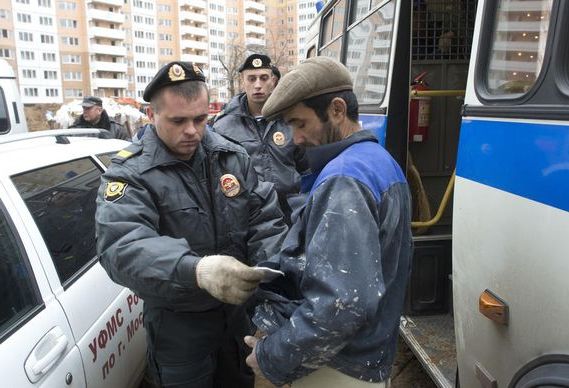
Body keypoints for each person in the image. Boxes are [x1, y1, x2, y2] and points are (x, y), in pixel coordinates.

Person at [95, 61, 288, 387]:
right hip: (179, 327)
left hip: (237, 317)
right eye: (178, 120)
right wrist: (195, 271)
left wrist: (271, 287)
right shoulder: (129, 173)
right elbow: (122, 246)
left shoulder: (230, 157)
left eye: (200, 119)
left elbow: (264, 220)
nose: (192, 131)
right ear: (151, 115)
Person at [244, 57, 413, 387]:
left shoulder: (344, 179)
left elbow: (341, 305)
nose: (295, 138)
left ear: (337, 110)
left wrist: (271, 357)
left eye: (300, 124)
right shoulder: (377, 161)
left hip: (339, 368)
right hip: (367, 359)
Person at [212, 54, 307, 225]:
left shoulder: (291, 118)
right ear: (243, 82)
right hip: (249, 216)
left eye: (264, 78)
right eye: (251, 79)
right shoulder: (223, 126)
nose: (258, 85)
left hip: (293, 213)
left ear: (274, 81)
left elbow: (306, 167)